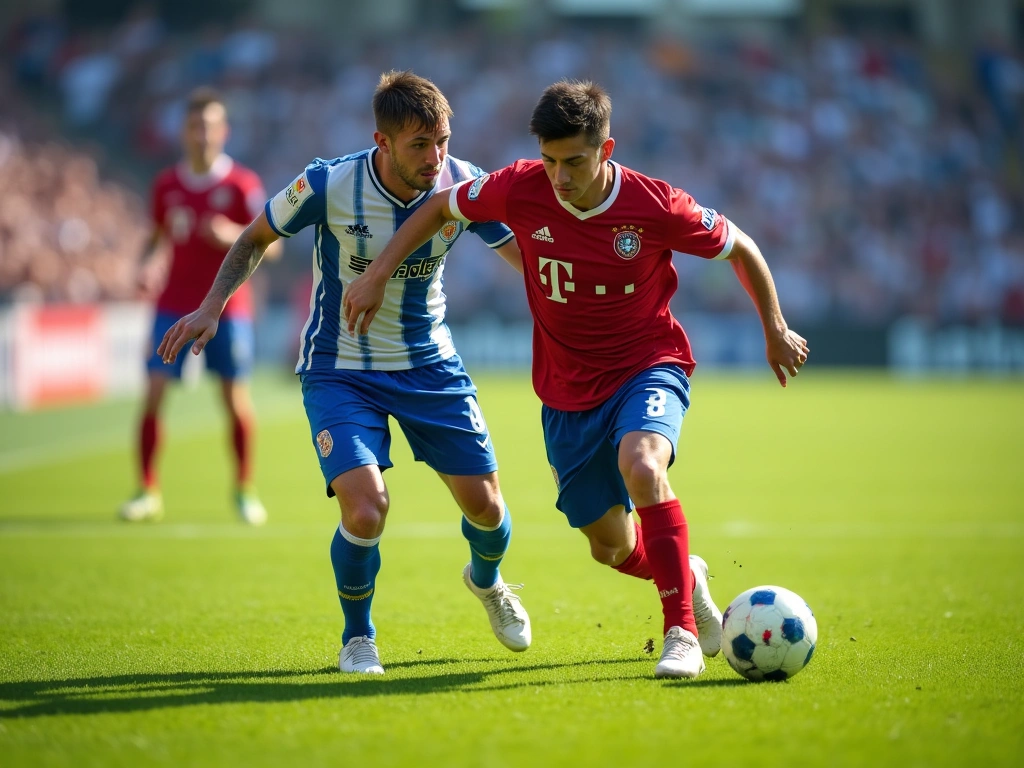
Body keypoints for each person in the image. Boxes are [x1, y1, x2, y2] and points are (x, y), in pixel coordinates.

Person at [341, 80, 810, 679]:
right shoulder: (518, 186)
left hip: (648, 365)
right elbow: (439, 206)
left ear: (605, 150)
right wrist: (380, 271)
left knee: (643, 467)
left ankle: (681, 635)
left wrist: (774, 325)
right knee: (610, 547)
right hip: (566, 393)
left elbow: (740, 246)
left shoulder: (655, 204)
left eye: (574, 161)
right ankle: (683, 574)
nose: (559, 176)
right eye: (549, 160)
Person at [157, 71, 532, 675]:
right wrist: (211, 306)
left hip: (429, 366)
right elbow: (255, 237)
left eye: (442, 140)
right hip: (340, 369)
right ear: (381, 142)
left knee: (487, 510)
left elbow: (522, 258)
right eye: (419, 145)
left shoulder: (464, 184)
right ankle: (359, 638)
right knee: (364, 510)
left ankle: (487, 582)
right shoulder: (328, 182)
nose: (435, 157)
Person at [120, 87, 280, 526]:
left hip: (228, 309)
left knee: (233, 399)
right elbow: (154, 239)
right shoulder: (166, 185)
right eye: (194, 126)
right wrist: (145, 265)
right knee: (153, 394)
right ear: (183, 133)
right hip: (172, 304)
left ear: (223, 132)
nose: (202, 134)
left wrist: (232, 234)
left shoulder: (241, 185)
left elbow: (275, 246)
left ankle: (245, 489)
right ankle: (146, 490)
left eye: (209, 126)